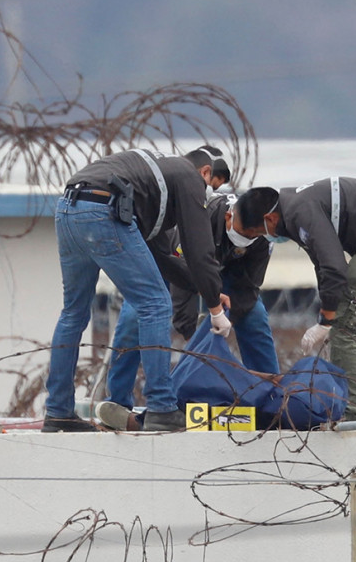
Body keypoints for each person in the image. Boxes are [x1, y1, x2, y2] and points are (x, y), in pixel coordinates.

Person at [42, 147, 232, 433]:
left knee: (73, 313)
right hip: (104, 209)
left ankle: (58, 412)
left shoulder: (152, 184)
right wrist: (216, 311)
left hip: (69, 210)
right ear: (205, 172)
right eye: (211, 186)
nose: (206, 194)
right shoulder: (189, 176)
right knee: (155, 305)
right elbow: (198, 248)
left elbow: (164, 258)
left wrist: (209, 292)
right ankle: (161, 407)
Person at [229, 178, 356, 427]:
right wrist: (326, 313)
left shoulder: (300, 212)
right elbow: (323, 265)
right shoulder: (297, 207)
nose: (264, 238)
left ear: (270, 219)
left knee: (345, 329)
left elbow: (334, 268)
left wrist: (326, 321)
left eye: (258, 233)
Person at [100, 191, 280, 418]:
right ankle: (118, 401)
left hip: (222, 271)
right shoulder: (200, 218)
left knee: (255, 315)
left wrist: (224, 319)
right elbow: (182, 280)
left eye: (254, 234)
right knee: (134, 315)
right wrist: (192, 336)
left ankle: (271, 401)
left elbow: (249, 287)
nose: (249, 237)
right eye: (245, 232)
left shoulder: (263, 236)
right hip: (169, 263)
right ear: (229, 217)